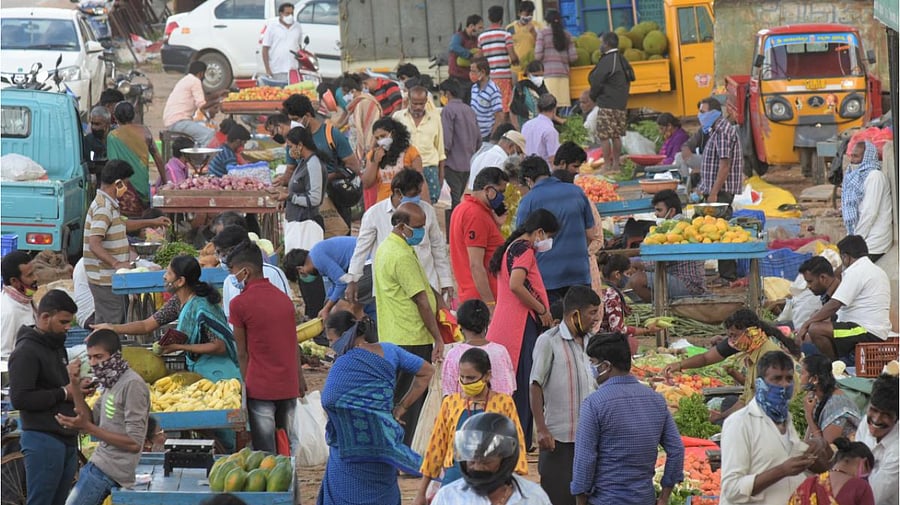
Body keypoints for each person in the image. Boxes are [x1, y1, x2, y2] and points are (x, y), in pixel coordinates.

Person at [317, 312, 434, 505]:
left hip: (348, 449)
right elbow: (427, 371)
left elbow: (329, 400)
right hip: (382, 441)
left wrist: (349, 416)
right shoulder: (389, 350)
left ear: (345, 335)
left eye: (331, 340)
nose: (331, 346)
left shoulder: (343, 362)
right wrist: (401, 407)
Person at [571, 332, 684, 505]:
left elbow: (584, 461)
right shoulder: (656, 400)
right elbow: (676, 450)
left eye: (592, 362)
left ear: (606, 366)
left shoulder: (593, 404)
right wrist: (664, 496)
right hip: (644, 498)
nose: (590, 368)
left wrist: (580, 500)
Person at [415, 347, 527, 504]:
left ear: (487, 375)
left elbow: (517, 445)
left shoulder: (504, 403)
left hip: (492, 483)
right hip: (454, 481)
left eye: (471, 378)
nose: (465, 383)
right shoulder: (450, 403)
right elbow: (436, 448)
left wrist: (515, 489)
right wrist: (421, 493)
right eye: (462, 377)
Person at [374, 202, 445, 445]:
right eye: (418, 227)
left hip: (397, 334)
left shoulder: (390, 248)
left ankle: (398, 450)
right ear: (402, 226)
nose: (422, 232)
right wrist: (438, 337)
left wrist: (442, 304)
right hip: (412, 336)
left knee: (403, 396)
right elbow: (421, 301)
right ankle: (404, 452)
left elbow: (425, 287)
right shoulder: (400, 255)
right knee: (410, 401)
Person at [485, 209, 559, 445]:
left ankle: (512, 439)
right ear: (538, 232)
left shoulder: (512, 247)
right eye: (548, 235)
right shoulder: (525, 250)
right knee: (524, 382)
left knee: (509, 384)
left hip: (504, 323)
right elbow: (518, 285)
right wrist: (541, 309)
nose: (548, 240)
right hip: (519, 325)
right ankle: (521, 440)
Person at [227, 241, 304, 454]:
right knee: (285, 447)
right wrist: (299, 377)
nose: (233, 278)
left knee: (266, 453)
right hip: (288, 385)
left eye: (233, 272)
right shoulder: (283, 299)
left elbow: (242, 352)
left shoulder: (239, 304)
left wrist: (245, 385)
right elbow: (293, 342)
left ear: (246, 271)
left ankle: (274, 489)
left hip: (260, 387)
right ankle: (291, 487)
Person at [720, 351, 825, 505]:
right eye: (776, 379)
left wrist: (813, 452)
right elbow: (732, 490)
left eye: (789, 379)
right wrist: (782, 471)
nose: (784, 385)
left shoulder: (785, 419)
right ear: (760, 383)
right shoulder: (739, 423)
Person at [60, 329, 150, 505]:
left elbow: (133, 443)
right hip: (97, 464)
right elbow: (91, 419)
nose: (94, 363)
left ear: (115, 355)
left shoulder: (132, 385)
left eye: (99, 357)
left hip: (111, 471)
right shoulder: (111, 383)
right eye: (90, 358)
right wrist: (75, 386)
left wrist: (87, 427)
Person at [663, 308, 800, 422]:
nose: (731, 341)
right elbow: (746, 397)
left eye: (734, 336)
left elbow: (764, 404)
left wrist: (726, 419)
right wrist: (721, 416)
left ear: (750, 332)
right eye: (729, 336)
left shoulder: (769, 358)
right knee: (728, 406)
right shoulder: (752, 349)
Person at [530, 286, 601, 505]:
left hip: (589, 437)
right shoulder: (549, 341)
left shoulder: (593, 343)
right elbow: (535, 385)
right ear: (574, 314)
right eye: (591, 313)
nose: (595, 319)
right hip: (558, 438)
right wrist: (541, 429)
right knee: (559, 495)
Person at [8, 290, 79, 505]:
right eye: (64, 322)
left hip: (66, 438)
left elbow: (59, 385)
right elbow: (20, 398)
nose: (68, 327)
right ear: (45, 317)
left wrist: (75, 387)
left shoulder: (57, 346)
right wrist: (65, 392)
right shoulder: (25, 352)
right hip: (43, 439)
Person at [346, 169, 454, 304]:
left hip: (426, 285)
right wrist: (352, 280)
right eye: (414, 194)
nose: (418, 198)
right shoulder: (374, 214)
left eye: (419, 192)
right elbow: (360, 251)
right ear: (398, 193)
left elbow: (438, 248)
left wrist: (445, 281)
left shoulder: (428, 211)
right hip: (392, 290)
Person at [83, 160, 171, 324]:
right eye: (126, 184)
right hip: (105, 278)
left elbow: (123, 224)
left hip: (111, 277)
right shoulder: (103, 207)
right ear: (118, 183)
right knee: (112, 323)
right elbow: (94, 243)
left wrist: (152, 222)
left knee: (112, 320)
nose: (127, 188)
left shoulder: (110, 204)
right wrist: (116, 263)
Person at [515, 155, 594, 304]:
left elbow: (521, 243)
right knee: (580, 322)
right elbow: (591, 234)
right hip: (579, 272)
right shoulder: (576, 192)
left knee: (553, 324)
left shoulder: (528, 201)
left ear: (528, 180)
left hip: (547, 277)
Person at [797, 235, 890, 360]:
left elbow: (835, 304)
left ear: (846, 257)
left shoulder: (856, 270)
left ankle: (834, 366)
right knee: (817, 324)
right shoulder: (875, 270)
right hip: (865, 329)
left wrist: (806, 324)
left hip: (865, 331)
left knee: (815, 329)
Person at [431, 412, 551, 505]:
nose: (477, 466)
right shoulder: (448, 497)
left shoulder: (533, 497)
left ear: (505, 460)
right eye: (472, 461)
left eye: (486, 462)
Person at [282, 94, 362, 225]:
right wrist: (282, 190)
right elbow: (290, 170)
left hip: (334, 200)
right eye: (291, 120)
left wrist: (324, 178)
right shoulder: (294, 139)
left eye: (295, 119)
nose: (293, 123)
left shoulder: (331, 134)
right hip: (304, 207)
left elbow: (353, 166)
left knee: (336, 238)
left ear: (307, 116)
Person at [693, 97, 743, 283]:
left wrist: (713, 192)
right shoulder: (715, 130)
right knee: (717, 230)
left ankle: (727, 275)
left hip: (720, 191)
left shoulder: (722, 131)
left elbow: (724, 166)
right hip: (714, 189)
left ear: (714, 113)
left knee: (723, 232)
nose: (700, 115)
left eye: (703, 111)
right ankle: (724, 274)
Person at [628, 190, 707, 301]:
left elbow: (652, 264)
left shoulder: (674, 229)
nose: (656, 214)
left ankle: (663, 308)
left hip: (688, 284)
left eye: (659, 210)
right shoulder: (678, 224)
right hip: (683, 280)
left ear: (671, 211)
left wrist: (632, 263)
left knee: (636, 280)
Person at [450, 167, 510, 307]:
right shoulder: (475, 215)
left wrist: (497, 224)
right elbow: (476, 265)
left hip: (473, 294)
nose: (503, 197)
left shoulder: (466, 208)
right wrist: (490, 303)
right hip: (482, 297)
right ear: (489, 190)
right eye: (500, 192)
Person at [283, 237, 375, 321]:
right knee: (351, 309)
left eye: (302, 275)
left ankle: (347, 337)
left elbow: (341, 283)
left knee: (339, 311)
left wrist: (327, 309)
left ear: (300, 269)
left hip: (367, 264)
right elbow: (334, 286)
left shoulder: (317, 259)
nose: (305, 276)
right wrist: (326, 305)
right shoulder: (315, 256)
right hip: (363, 264)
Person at [211, 225, 292, 318]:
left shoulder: (273, 273)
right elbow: (230, 319)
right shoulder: (229, 282)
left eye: (223, 253)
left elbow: (286, 310)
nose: (221, 258)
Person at [441, 299, 515, 396]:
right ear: (487, 323)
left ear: (460, 326)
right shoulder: (500, 351)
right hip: (498, 409)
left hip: (463, 410)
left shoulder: (454, 354)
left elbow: (448, 393)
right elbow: (509, 389)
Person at [107, 101, 165, 217]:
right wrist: (166, 181)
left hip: (125, 190)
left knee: (127, 225)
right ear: (133, 115)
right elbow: (158, 158)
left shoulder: (113, 136)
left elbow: (113, 165)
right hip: (143, 188)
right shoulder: (145, 132)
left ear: (115, 117)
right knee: (143, 224)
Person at [277, 126, 327, 251]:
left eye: (290, 146)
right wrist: (285, 201)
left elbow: (314, 199)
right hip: (297, 224)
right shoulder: (303, 162)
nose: (289, 150)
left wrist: (289, 197)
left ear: (300, 145)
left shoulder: (313, 164)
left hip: (306, 225)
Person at [588, 32, 633, 172]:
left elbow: (596, 81)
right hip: (620, 104)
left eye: (601, 43)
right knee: (616, 136)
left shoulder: (608, 60)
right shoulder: (621, 59)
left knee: (604, 136)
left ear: (606, 44)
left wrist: (593, 96)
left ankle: (607, 165)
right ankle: (616, 165)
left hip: (608, 103)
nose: (600, 46)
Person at [393, 86, 445, 204]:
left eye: (421, 104)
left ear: (426, 101)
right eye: (415, 103)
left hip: (429, 168)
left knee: (429, 204)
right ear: (409, 101)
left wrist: (441, 176)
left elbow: (440, 149)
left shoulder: (435, 118)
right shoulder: (398, 117)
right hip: (406, 168)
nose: (418, 107)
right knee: (405, 202)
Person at [841, 141, 892, 261]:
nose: (852, 160)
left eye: (856, 156)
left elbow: (869, 213)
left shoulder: (875, 177)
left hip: (874, 241)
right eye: (852, 156)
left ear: (867, 157)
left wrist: (855, 242)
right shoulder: (857, 176)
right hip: (862, 237)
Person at [788, 437, 875, 505]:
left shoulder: (808, 484)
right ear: (864, 462)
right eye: (867, 473)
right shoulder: (861, 487)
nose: (865, 477)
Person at [854, 373, 898, 505]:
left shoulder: (897, 451)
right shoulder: (865, 424)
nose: (876, 420)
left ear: (897, 419)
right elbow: (853, 463)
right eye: (874, 410)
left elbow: (871, 498)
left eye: (886, 415)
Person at [362, 117, 425, 206]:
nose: (380, 140)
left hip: (406, 203)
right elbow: (366, 184)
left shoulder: (410, 152)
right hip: (383, 205)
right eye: (377, 138)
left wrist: (426, 206)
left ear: (393, 134)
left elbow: (421, 182)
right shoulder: (373, 155)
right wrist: (375, 162)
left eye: (383, 136)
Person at [440, 79, 482, 209]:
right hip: (469, 163)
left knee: (453, 203)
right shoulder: (469, 110)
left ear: (447, 93)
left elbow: (446, 140)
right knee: (464, 201)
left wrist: (441, 162)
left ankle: (454, 228)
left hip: (452, 164)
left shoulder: (447, 110)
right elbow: (478, 139)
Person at [800, 354, 860, 443]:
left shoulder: (836, 405)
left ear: (814, 379)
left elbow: (826, 450)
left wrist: (809, 416)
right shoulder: (816, 398)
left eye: (802, 374)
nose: (799, 378)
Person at [162, 61, 220, 146]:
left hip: (173, 121)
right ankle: (204, 159)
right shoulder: (195, 81)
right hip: (179, 122)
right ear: (201, 73)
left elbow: (204, 98)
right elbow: (202, 106)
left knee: (204, 127)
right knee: (208, 134)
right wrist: (219, 101)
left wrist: (218, 95)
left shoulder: (186, 80)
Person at [478, 6, 518, 117]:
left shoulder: (482, 36)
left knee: (490, 105)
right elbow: (513, 57)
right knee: (504, 105)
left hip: (488, 77)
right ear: (501, 19)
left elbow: (479, 58)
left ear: (489, 18)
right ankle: (503, 128)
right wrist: (516, 61)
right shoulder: (506, 35)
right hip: (503, 77)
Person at [534, 9, 577, 108]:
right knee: (563, 108)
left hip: (549, 75)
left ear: (546, 21)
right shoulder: (567, 35)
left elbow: (538, 56)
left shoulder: (542, 34)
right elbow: (573, 57)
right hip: (564, 75)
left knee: (550, 107)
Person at [341, 73, 382, 168]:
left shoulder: (364, 103)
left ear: (353, 91)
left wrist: (366, 150)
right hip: (356, 147)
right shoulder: (356, 105)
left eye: (345, 94)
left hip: (365, 149)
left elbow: (368, 129)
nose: (344, 98)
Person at [1, 251, 37, 359]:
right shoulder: (9, 312)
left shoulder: (25, 299)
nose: (36, 278)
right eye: (30, 275)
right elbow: (3, 356)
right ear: (14, 281)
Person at [262, 3, 303, 82]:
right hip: (277, 69)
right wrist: (267, 69)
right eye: (287, 13)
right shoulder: (272, 27)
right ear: (281, 14)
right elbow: (265, 49)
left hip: (293, 69)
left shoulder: (297, 27)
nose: (290, 16)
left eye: (292, 13)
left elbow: (299, 47)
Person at [448, 15, 483, 103]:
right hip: (458, 78)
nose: (481, 30)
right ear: (471, 26)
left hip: (470, 78)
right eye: (479, 27)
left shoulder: (476, 39)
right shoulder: (459, 36)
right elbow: (453, 47)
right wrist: (470, 55)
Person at [469, 58, 503, 141]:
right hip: (474, 133)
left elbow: (499, 117)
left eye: (474, 71)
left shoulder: (493, 90)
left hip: (486, 136)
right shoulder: (474, 88)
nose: (471, 74)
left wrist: (492, 137)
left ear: (483, 72)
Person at [510, 61, 549, 130]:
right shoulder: (520, 88)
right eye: (536, 76)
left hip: (540, 128)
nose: (539, 78)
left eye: (541, 75)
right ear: (528, 74)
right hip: (524, 127)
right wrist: (516, 128)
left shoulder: (543, 90)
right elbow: (513, 110)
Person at [522, 94, 560, 164]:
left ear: (538, 109)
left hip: (527, 169)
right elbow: (553, 158)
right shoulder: (550, 130)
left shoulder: (526, 125)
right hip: (544, 172)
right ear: (554, 109)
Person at [506, 1, 542, 75]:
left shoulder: (538, 26)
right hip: (516, 68)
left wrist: (533, 32)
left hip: (533, 67)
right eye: (526, 14)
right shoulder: (510, 28)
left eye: (531, 14)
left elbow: (541, 45)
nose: (529, 16)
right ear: (519, 13)